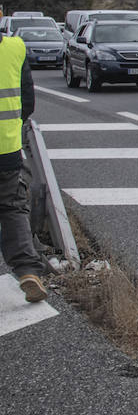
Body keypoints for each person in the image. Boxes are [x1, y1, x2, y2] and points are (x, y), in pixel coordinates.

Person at [0, 32, 46, 302]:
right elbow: (27, 101)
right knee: (12, 207)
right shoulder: (15, 48)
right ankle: (28, 271)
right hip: (6, 148)